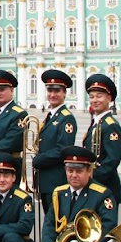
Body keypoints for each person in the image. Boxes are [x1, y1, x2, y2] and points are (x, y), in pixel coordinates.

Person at [40, 147, 118, 242]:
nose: (73, 175)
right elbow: (49, 224)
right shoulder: (59, 193)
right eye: (70, 170)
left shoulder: (102, 194)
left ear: (89, 171)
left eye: (79, 171)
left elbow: (108, 226)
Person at [32, 69, 78, 214]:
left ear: (64, 93)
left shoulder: (66, 118)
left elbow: (63, 149)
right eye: (50, 90)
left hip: (56, 180)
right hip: (45, 180)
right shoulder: (50, 117)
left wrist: (39, 159)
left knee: (57, 223)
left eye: (57, 91)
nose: (52, 94)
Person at [81, 73, 121, 203]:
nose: (95, 100)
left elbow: (112, 160)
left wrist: (91, 177)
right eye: (92, 97)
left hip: (106, 188)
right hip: (96, 187)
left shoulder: (110, 125)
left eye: (99, 96)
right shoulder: (97, 122)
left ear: (109, 98)